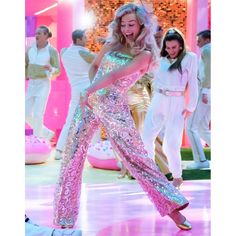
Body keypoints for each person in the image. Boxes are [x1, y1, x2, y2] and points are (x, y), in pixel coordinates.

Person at [53, 3, 192, 230]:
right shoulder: (111, 44)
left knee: (136, 158)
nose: (127, 29)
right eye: (123, 24)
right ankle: (63, 219)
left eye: (132, 24)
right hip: (90, 103)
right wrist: (91, 88)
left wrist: (91, 90)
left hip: (114, 105)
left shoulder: (145, 55)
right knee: (71, 156)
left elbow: (117, 74)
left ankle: (174, 210)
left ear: (142, 26)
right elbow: (96, 66)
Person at [142, 28, 199, 189]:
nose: (171, 50)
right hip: (158, 99)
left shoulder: (190, 58)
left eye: (174, 47)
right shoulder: (159, 59)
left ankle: (177, 177)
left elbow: (193, 83)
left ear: (180, 45)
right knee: (146, 138)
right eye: (168, 47)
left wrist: (191, 106)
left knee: (171, 144)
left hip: (177, 102)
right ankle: (152, 174)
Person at [54, 29, 96, 160]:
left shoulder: (64, 52)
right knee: (93, 119)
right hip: (88, 88)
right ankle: (95, 149)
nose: (86, 40)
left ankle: (59, 150)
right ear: (78, 40)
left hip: (76, 89)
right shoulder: (84, 53)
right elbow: (100, 60)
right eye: (84, 38)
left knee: (70, 120)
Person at [25, 25, 60, 141]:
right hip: (31, 84)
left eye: (40, 33)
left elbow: (58, 70)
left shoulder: (52, 51)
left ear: (46, 35)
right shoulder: (30, 48)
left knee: (38, 113)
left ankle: (37, 139)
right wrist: (26, 74)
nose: (37, 35)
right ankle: (46, 133)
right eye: (36, 33)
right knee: (25, 113)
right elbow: (25, 63)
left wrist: (51, 69)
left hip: (43, 84)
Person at [186, 30, 211, 169]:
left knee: (190, 127)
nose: (197, 43)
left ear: (207, 39)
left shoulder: (207, 49)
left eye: (199, 40)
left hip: (205, 92)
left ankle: (201, 161)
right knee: (202, 128)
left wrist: (206, 90)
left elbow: (209, 71)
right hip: (209, 91)